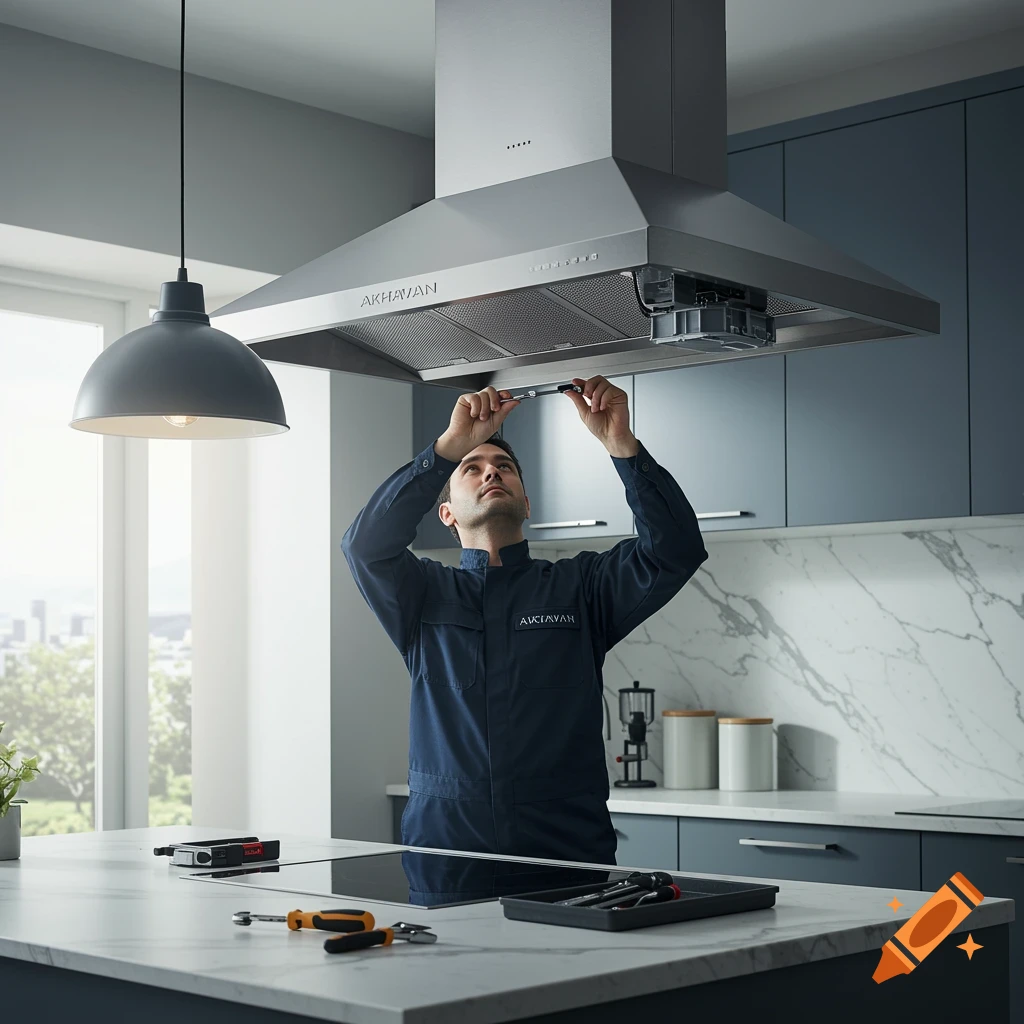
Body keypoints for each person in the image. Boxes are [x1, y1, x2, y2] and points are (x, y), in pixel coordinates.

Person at [343, 375, 708, 883]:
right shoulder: (422, 594)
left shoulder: (581, 587)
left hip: (563, 849)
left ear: (527, 504)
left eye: (505, 467)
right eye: (473, 469)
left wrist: (621, 446)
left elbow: (675, 551)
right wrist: (449, 448)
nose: (492, 471)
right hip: (448, 850)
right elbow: (364, 546)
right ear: (445, 512)